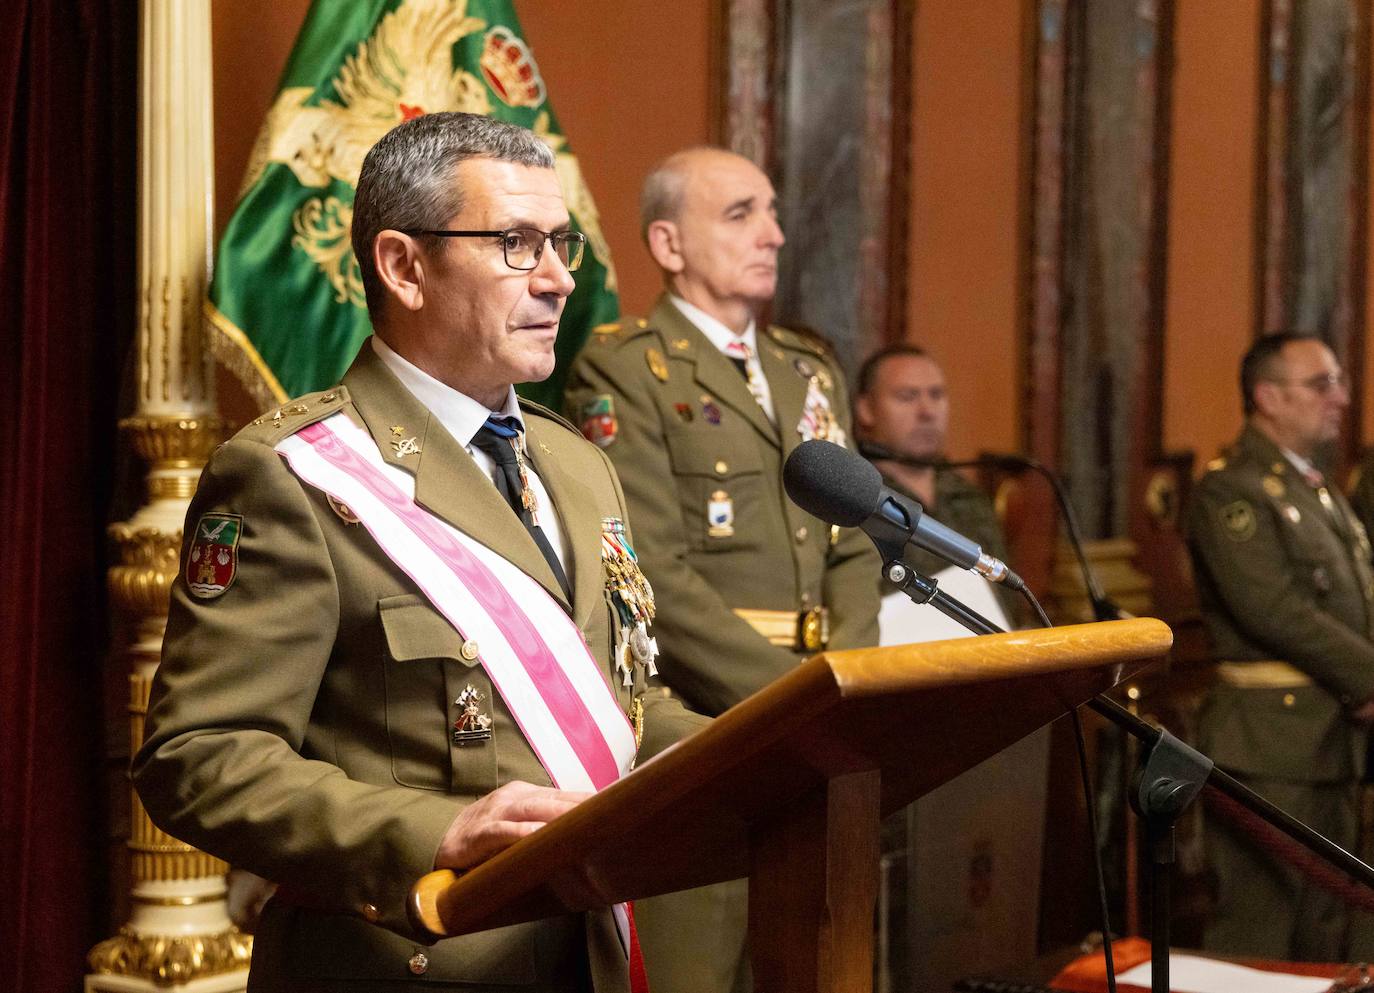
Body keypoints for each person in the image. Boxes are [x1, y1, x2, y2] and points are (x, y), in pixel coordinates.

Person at [133, 112, 705, 992]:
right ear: (403, 266)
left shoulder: (578, 465)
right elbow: (199, 755)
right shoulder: (292, 473)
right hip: (412, 962)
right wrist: (433, 832)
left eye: (561, 243)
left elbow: (614, 701)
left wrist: (778, 756)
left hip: (593, 953)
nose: (557, 280)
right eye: (517, 243)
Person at [563, 146, 880, 993]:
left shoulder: (807, 370)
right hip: (708, 728)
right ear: (667, 244)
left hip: (821, 715)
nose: (774, 234)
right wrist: (799, 702)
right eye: (741, 214)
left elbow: (851, 541)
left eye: (773, 212)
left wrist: (846, 679)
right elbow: (647, 568)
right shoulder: (624, 367)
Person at [1185, 332, 1374, 960]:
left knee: (1326, 929)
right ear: (1268, 396)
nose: (1342, 399)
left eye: (1339, 382)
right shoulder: (1231, 490)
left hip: (1330, 736)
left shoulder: (1315, 490)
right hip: (1270, 742)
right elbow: (1273, 610)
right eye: (1322, 384)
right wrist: (1370, 678)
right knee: (1262, 933)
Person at [853, 343, 1012, 606]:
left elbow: (1006, 601)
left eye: (936, 395)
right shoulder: (855, 497)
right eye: (907, 396)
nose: (927, 412)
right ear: (866, 409)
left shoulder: (970, 498)